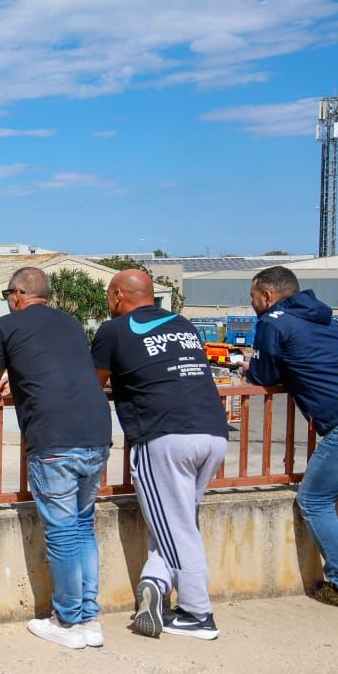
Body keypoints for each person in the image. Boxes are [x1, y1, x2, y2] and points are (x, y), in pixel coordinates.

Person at [0, 267, 112, 650]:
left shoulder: (5, 325)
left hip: (54, 438)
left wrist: (2, 384)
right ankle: (89, 619)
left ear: (18, 294)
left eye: (8, 293)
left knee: (63, 533)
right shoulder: (70, 324)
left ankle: (67, 621)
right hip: (96, 433)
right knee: (84, 526)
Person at [91, 270, 228, 640]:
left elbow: (92, 382)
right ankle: (155, 581)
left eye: (109, 295)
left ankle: (198, 613)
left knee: (177, 527)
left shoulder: (114, 330)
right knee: (176, 520)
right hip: (213, 432)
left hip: (164, 436)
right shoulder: (183, 324)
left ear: (118, 295)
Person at [244, 265, 338, 611]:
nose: (252, 303)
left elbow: (264, 373)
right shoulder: (322, 316)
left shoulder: (271, 322)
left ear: (266, 296)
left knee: (314, 501)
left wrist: (247, 368)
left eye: (252, 297)